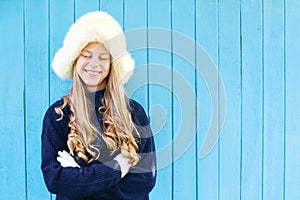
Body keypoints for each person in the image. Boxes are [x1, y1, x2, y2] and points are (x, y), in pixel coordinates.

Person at [41, 11, 156, 200]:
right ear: (75, 60)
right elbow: (55, 180)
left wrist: (80, 173)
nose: (94, 64)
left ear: (113, 65)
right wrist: (117, 169)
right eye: (86, 55)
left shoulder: (134, 113)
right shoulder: (58, 114)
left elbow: (143, 182)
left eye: (103, 57)